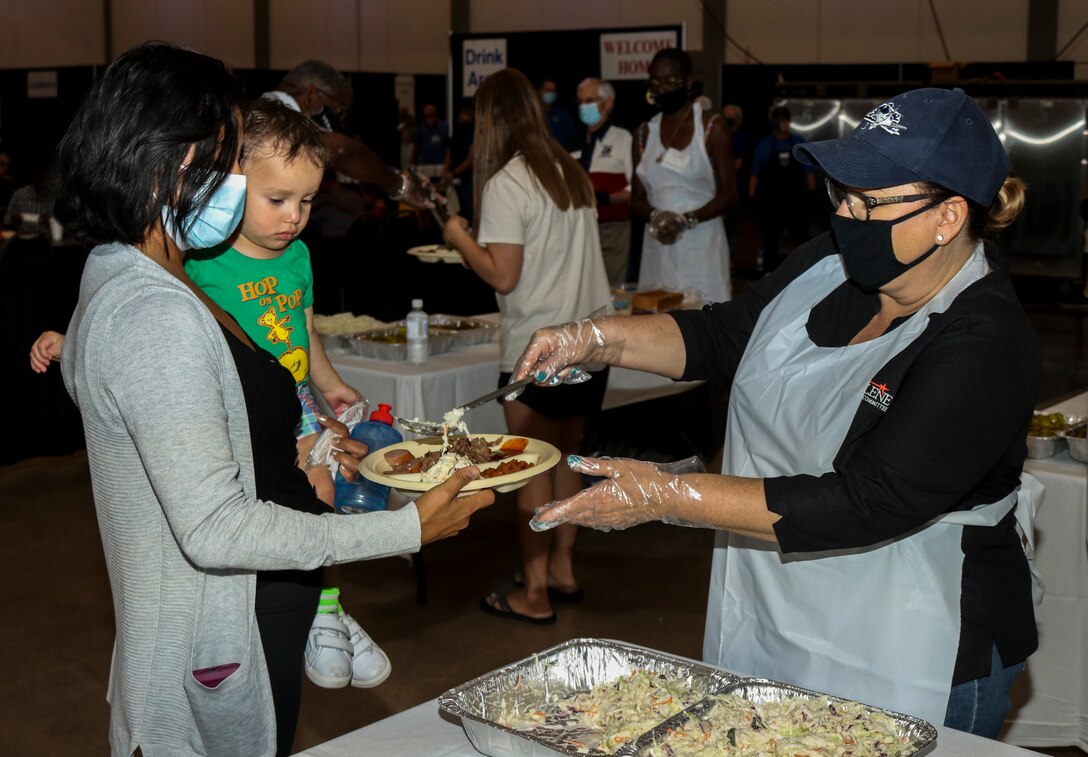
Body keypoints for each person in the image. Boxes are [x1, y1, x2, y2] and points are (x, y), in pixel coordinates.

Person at [508, 87, 1042, 738]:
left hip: (920, 633)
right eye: (838, 192)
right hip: (784, 609)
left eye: (866, 201)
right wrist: (595, 339)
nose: (844, 214)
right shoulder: (830, 265)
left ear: (948, 216)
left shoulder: (987, 341)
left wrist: (669, 494)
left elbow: (866, 500)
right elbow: (723, 335)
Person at [50, 42, 494, 757]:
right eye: (229, 159)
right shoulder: (153, 312)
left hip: (254, 607)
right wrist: (404, 531)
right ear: (171, 165)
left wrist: (310, 436)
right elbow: (216, 528)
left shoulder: (158, 274)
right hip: (218, 632)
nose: (242, 180)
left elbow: (217, 427)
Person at [441, 67, 611, 624]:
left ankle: (533, 593)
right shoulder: (569, 172)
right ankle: (561, 570)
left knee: (533, 469)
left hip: (536, 349)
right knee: (566, 458)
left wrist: (458, 235)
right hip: (589, 341)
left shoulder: (507, 184)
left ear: (490, 123)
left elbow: (503, 275)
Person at [631, 48, 736, 303]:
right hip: (658, 244)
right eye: (655, 82)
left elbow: (730, 193)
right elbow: (636, 199)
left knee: (705, 321)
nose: (662, 89)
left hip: (702, 242)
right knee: (657, 321)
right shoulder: (644, 134)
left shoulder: (712, 127)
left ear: (688, 83)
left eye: (671, 81)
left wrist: (687, 219)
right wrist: (659, 217)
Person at [263, 60, 437, 209]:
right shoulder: (275, 115)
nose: (341, 121)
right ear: (312, 95)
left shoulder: (264, 106)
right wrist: (399, 184)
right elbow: (341, 150)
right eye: (340, 110)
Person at [576, 77, 633, 285]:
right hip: (580, 230)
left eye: (589, 100)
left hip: (612, 230)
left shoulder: (622, 138)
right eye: (580, 101)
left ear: (608, 103)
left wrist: (606, 198)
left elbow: (636, 189)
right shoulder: (577, 140)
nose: (584, 106)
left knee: (611, 290)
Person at [749, 105, 816, 272]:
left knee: (800, 237)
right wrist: (752, 196)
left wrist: (812, 194)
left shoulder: (798, 141)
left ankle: (805, 269)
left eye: (785, 120)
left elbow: (808, 170)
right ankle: (768, 271)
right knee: (770, 238)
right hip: (772, 200)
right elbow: (755, 172)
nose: (782, 124)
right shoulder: (765, 144)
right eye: (779, 121)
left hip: (795, 199)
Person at [721, 104, 748, 261]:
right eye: (726, 115)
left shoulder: (738, 137)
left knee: (730, 227)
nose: (728, 119)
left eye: (731, 116)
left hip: (732, 188)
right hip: (717, 189)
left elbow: (737, 164)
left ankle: (729, 261)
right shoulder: (719, 135)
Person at [444, 105, 475, 224]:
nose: (463, 122)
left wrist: (453, 173)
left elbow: (471, 160)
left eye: (466, 120)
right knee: (453, 211)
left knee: (469, 212)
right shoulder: (454, 137)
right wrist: (445, 172)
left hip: (467, 181)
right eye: (461, 119)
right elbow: (448, 156)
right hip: (453, 181)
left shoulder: (473, 137)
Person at [540, 78, 576, 151]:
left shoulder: (563, 116)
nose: (551, 94)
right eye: (548, 91)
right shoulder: (533, 115)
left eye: (553, 91)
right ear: (539, 91)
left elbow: (573, 141)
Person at [414, 104, 449, 170]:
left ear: (435, 114)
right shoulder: (422, 127)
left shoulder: (444, 127)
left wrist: (447, 163)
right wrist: (412, 163)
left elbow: (448, 147)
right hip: (425, 164)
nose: (429, 118)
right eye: (427, 116)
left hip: (440, 164)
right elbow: (417, 146)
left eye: (431, 115)